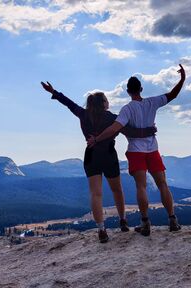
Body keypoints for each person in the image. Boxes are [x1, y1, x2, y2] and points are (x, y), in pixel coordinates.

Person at [41, 82, 157, 243]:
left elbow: (68, 103)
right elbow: (129, 131)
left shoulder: (83, 114)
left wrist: (53, 91)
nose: (108, 102)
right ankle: (123, 221)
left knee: (96, 193)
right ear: (103, 103)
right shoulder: (111, 118)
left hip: (91, 156)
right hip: (109, 155)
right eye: (106, 100)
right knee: (117, 190)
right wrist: (148, 131)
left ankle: (101, 230)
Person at [87, 64, 186, 236]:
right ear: (141, 88)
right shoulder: (152, 102)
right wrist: (182, 79)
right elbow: (172, 95)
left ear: (127, 91)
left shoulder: (127, 109)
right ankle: (172, 219)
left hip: (135, 151)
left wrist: (96, 139)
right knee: (162, 184)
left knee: (141, 187)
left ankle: (145, 223)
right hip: (152, 149)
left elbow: (114, 129)